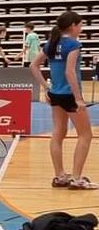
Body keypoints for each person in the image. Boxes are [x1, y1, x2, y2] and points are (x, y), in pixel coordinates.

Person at [30, 11, 96, 190]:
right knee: (85, 135)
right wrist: (78, 98)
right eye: (80, 25)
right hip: (69, 95)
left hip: (56, 94)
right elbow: (69, 72)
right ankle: (76, 178)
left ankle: (60, 176)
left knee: (58, 133)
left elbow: (33, 65)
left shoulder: (52, 43)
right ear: (73, 26)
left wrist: (46, 87)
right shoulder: (73, 44)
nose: (81, 28)